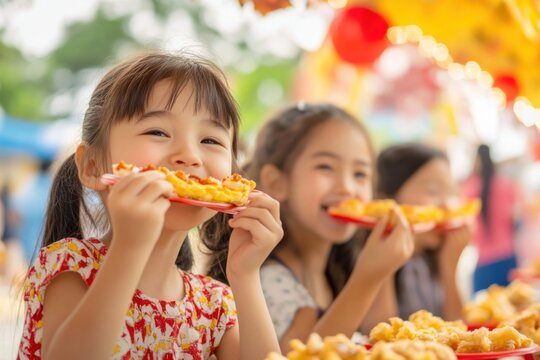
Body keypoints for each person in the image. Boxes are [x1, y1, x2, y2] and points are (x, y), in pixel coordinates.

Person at [17, 51, 283, 360]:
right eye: (157, 132)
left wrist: (246, 276)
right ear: (92, 166)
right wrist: (130, 247)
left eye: (211, 140)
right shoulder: (71, 265)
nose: (190, 156)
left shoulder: (215, 304)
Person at [219, 103, 414, 350]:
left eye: (360, 174)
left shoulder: (335, 269)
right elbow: (305, 355)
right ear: (276, 183)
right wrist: (367, 278)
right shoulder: (267, 278)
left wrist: (381, 270)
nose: (347, 188)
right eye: (325, 167)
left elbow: (381, 336)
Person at [376, 143, 471, 320]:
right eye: (433, 192)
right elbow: (382, 334)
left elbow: (460, 333)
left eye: (452, 194)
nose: (447, 206)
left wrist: (449, 268)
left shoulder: (428, 259)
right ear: (388, 198)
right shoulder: (369, 259)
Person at [463, 144, 518, 292]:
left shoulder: (470, 188)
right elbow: (515, 217)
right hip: (508, 258)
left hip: (484, 261)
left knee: (481, 311)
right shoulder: (506, 185)